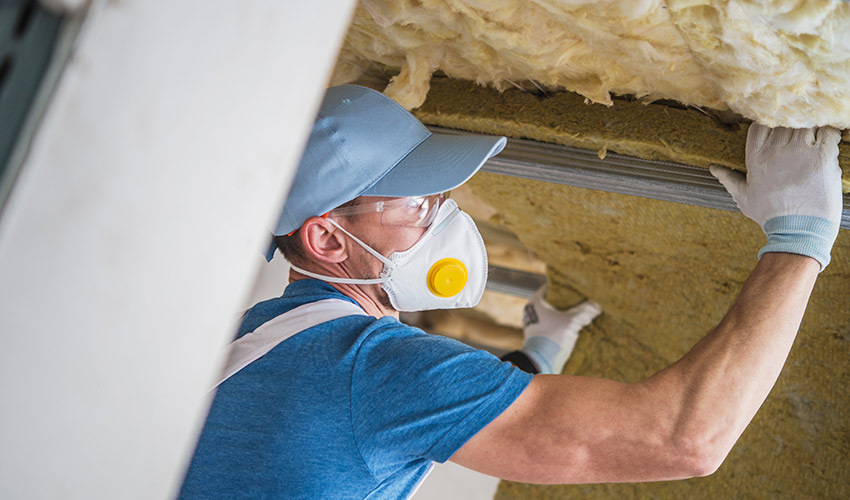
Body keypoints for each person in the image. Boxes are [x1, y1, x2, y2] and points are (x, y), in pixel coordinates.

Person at [179, 85, 843, 499]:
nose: (445, 219)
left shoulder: (248, 340)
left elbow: (391, 413)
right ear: (327, 238)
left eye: (442, 196)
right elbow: (682, 438)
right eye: (417, 205)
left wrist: (537, 357)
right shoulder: (372, 368)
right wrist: (799, 239)